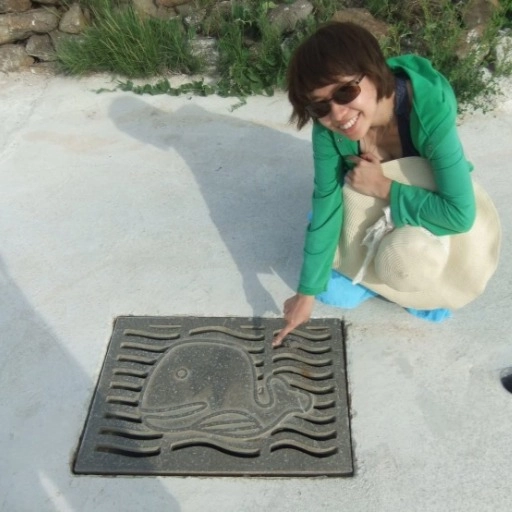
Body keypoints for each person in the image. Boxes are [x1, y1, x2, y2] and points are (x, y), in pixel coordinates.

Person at [272, 21, 500, 348]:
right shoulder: (328, 129)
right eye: (320, 106)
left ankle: (392, 274)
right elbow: (327, 201)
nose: (338, 114)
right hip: (372, 203)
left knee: (412, 264)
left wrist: (383, 187)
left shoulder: (429, 108)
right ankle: (392, 278)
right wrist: (305, 294)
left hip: (423, 201)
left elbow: (459, 215)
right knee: (327, 290)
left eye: (345, 92)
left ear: (374, 72)